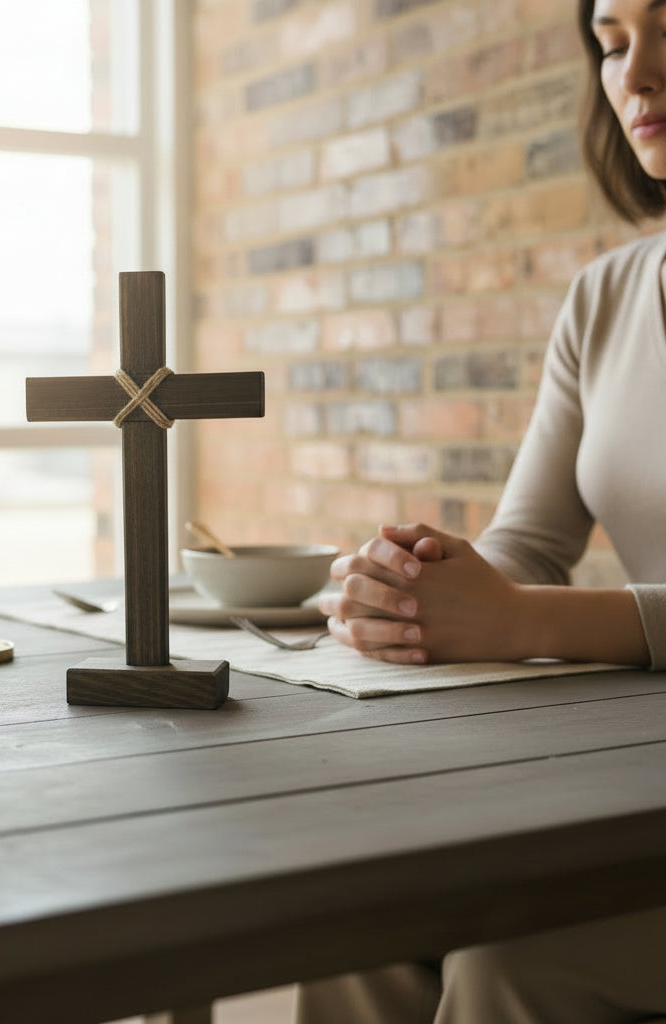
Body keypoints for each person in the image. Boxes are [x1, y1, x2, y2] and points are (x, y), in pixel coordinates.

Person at [296, 0, 666, 1020]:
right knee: (359, 917)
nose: (635, 77)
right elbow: (530, 543)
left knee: (512, 968)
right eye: (612, 41)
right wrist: (424, 581)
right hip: (636, 785)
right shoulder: (604, 296)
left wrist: (518, 620)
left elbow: (524, 604)